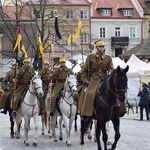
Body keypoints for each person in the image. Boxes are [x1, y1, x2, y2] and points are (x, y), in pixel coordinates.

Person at [80, 39, 126, 120]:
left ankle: (121, 110)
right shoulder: (91, 57)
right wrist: (85, 81)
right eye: (100, 47)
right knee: (89, 93)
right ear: (97, 48)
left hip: (105, 78)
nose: (102, 48)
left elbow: (111, 68)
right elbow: (84, 71)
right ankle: (86, 113)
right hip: (94, 79)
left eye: (103, 47)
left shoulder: (108, 58)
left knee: (117, 90)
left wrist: (114, 73)